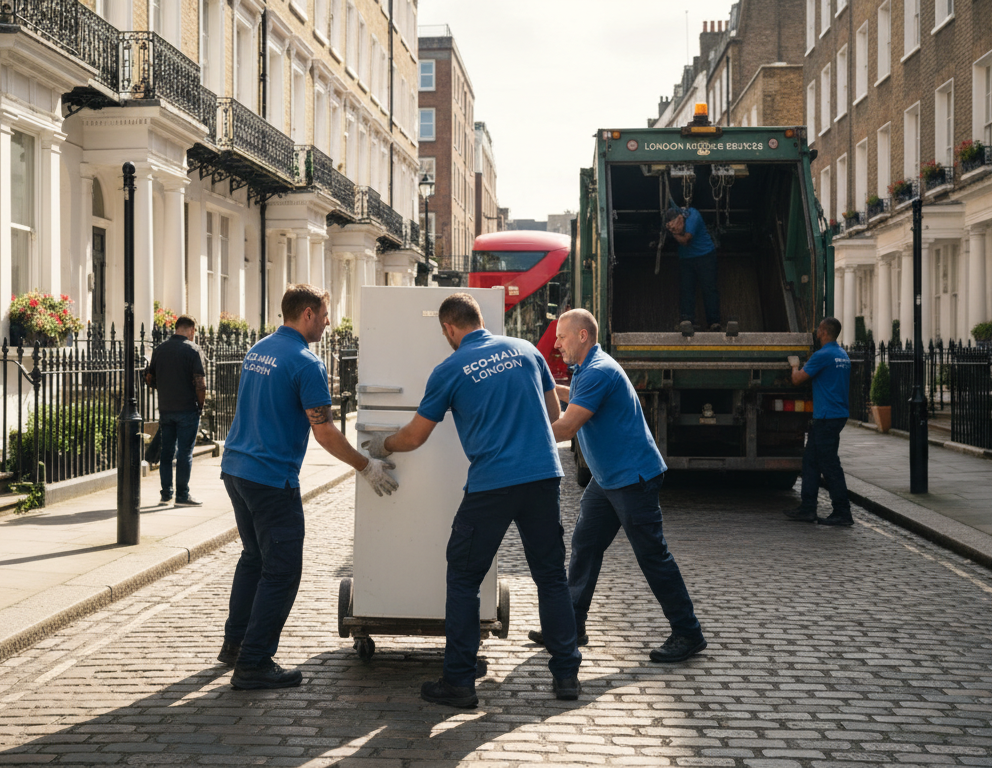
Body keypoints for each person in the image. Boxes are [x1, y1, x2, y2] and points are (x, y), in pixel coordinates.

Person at [372, 293, 582, 708]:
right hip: (542, 477)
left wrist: (382, 444)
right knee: (551, 576)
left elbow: (415, 436)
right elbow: (555, 417)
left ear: (449, 328)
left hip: (492, 485)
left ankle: (459, 681)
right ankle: (566, 676)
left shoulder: (449, 369)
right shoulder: (525, 351)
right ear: (480, 319)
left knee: (465, 577)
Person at [220, 285, 398, 690]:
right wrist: (365, 465)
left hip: (236, 469)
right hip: (269, 477)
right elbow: (326, 434)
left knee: (253, 558)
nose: (328, 322)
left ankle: (235, 643)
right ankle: (253, 661)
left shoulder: (259, 349)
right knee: (281, 571)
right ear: (306, 314)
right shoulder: (306, 363)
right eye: (324, 314)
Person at [529, 308, 707, 664]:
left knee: (652, 556)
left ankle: (688, 632)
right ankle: (571, 625)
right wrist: (543, 385)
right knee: (585, 545)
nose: (557, 344)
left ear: (582, 336)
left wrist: (517, 435)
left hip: (632, 478)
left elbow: (565, 429)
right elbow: (572, 394)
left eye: (561, 337)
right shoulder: (587, 369)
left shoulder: (598, 371)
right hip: (608, 478)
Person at [784, 317, 854, 526]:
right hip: (835, 415)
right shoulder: (842, 355)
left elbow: (797, 380)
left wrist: (794, 366)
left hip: (826, 416)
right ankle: (808, 508)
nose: (816, 332)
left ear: (823, 331)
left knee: (830, 465)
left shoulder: (822, 355)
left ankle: (842, 511)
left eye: (818, 329)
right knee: (811, 462)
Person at [145, 315, 207, 507]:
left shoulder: (160, 349)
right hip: (187, 408)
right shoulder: (193, 350)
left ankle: (165, 494)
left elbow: (149, 378)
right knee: (185, 453)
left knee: (166, 452)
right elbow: (200, 384)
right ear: (191, 330)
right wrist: (200, 405)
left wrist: (163, 388)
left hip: (165, 408)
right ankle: (182, 495)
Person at [666, 207, 721, 333]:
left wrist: (673, 233)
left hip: (705, 255)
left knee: (709, 288)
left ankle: (714, 322)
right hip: (686, 259)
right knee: (686, 289)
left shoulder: (693, 217)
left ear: (680, 218)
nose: (674, 228)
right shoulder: (677, 219)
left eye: (675, 226)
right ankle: (687, 321)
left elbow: (685, 240)